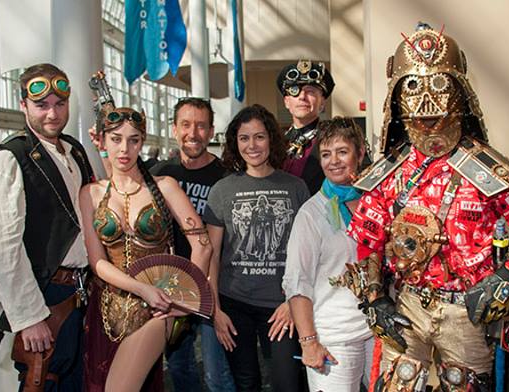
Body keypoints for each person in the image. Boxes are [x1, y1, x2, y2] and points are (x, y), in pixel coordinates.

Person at [345, 24, 509, 391]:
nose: (427, 105)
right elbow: (368, 238)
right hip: (407, 305)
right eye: (413, 88)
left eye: (439, 86)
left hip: (465, 312)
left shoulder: (486, 170)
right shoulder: (390, 172)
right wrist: (375, 299)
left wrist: (506, 277)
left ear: (459, 94)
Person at [80, 105, 211, 391]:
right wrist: (141, 289)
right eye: (116, 139)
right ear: (101, 141)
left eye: (133, 139)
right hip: (105, 309)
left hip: (157, 309)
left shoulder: (166, 187)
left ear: (143, 141)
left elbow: (203, 246)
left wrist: (183, 300)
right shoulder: (91, 193)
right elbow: (97, 262)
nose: (124, 148)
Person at [0, 63, 95, 391]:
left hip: (81, 292)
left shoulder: (74, 151)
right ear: (23, 106)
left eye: (60, 104)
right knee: (43, 380)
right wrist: (29, 316)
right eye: (41, 105)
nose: (52, 114)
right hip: (44, 295)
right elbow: (3, 246)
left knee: (76, 382)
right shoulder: (9, 157)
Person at [205, 104, 311, 392]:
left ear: (272, 140)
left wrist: (292, 301)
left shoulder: (296, 187)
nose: (252, 145)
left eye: (259, 137)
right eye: (244, 138)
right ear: (234, 143)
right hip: (233, 303)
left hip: (281, 305)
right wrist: (215, 310)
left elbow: (307, 253)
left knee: (287, 382)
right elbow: (212, 255)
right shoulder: (222, 190)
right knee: (245, 382)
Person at [150, 98, 236, 392]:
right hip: (172, 285)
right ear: (174, 129)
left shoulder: (225, 177)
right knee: (179, 366)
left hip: (212, 285)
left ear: (211, 131)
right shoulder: (161, 174)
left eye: (201, 126)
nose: (193, 133)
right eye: (186, 124)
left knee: (217, 372)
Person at [283, 117, 373, 392]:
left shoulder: (376, 202)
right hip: (334, 337)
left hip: (378, 333)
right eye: (326, 154)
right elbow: (297, 282)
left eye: (342, 152)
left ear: (359, 154)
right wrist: (308, 342)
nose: (333, 161)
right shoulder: (311, 214)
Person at [278, 60, 336, 194]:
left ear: (322, 103)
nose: (302, 97)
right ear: (286, 102)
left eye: (310, 92)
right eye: (295, 91)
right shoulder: (276, 141)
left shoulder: (335, 139)